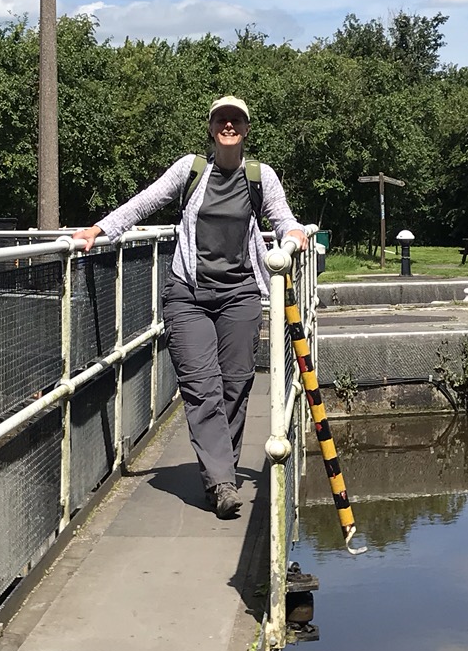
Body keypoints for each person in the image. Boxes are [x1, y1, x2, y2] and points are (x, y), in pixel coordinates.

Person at [71, 97, 308, 519]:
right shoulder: (191, 170)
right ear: (212, 127)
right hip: (189, 295)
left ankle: (220, 474)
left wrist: (292, 233)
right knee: (202, 388)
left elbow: (281, 217)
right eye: (222, 119)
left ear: (246, 130)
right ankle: (221, 482)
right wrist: (100, 229)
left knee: (236, 385)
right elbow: (146, 202)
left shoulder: (260, 176)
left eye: (236, 120)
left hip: (240, 294)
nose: (229, 125)